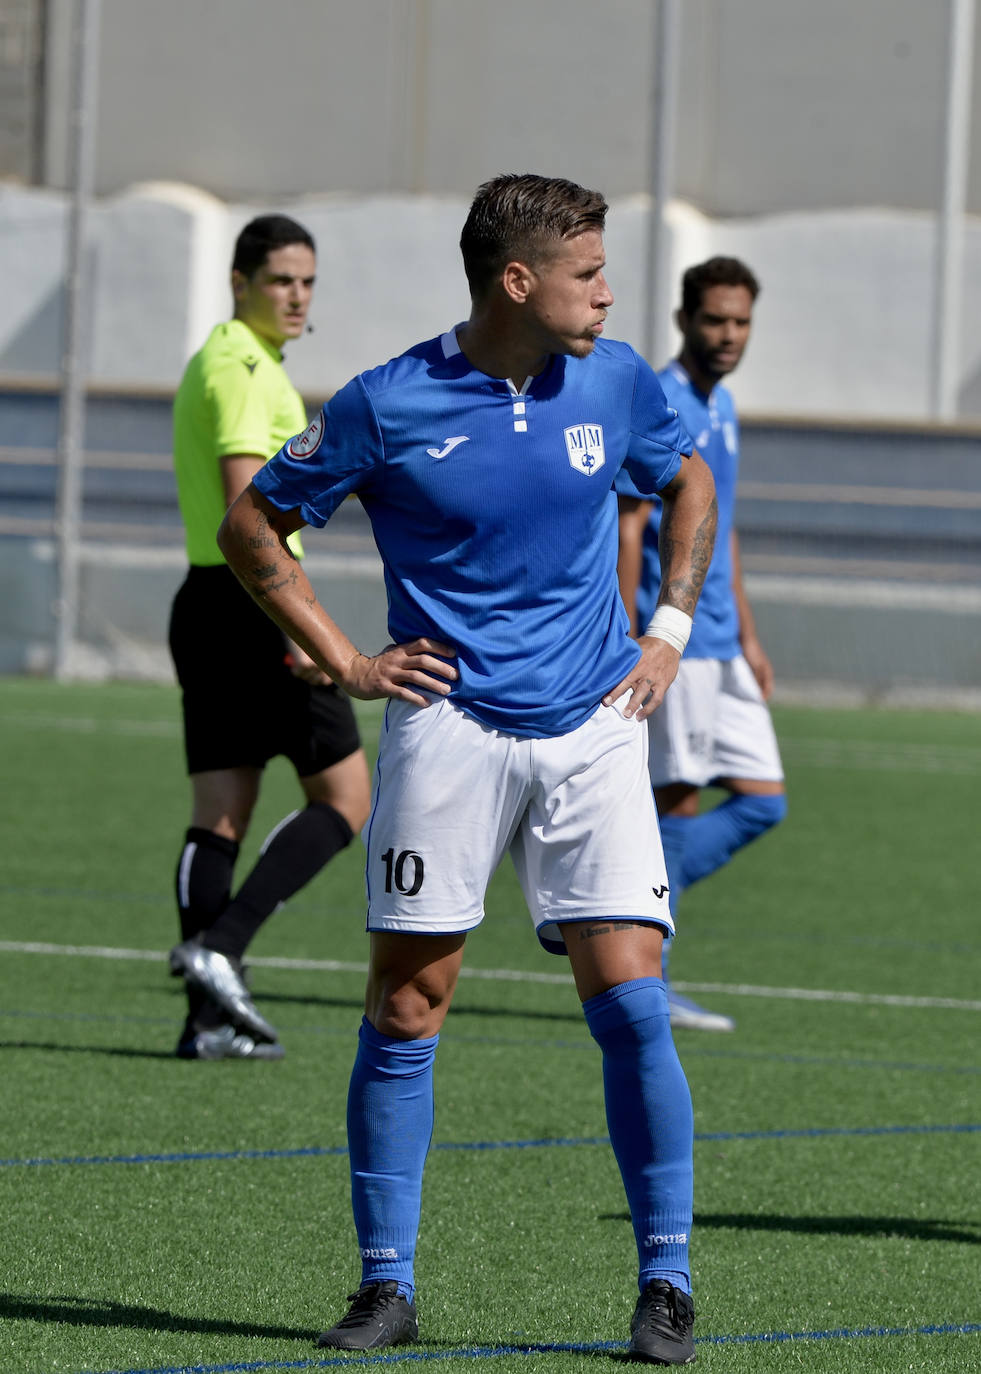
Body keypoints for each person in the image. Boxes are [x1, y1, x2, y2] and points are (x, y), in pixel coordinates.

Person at [217, 174, 718, 1363]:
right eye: (587, 272)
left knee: (633, 1005)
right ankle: (385, 1286)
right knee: (407, 1005)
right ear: (517, 282)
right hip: (449, 728)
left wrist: (669, 630)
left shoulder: (618, 377)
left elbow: (688, 480)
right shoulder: (389, 401)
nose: (607, 291)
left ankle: (667, 1284)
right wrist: (342, 658)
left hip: (596, 721)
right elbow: (254, 528)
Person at [167, 214, 371, 1061]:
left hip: (207, 604)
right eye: (281, 279)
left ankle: (205, 1021)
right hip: (253, 607)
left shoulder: (218, 358)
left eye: (307, 281)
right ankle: (223, 948)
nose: (296, 295)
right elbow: (251, 517)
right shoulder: (247, 372)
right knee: (347, 799)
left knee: (219, 813)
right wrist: (301, 628)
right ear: (239, 281)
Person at [617, 257, 787, 1034]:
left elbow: (723, 524)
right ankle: (648, 975)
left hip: (722, 639)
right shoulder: (659, 398)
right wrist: (629, 631)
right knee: (677, 800)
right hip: (673, 638)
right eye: (714, 320)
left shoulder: (725, 408)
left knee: (762, 800)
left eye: (740, 322)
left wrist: (750, 632)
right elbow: (629, 525)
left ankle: (626, 901)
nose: (727, 335)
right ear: (685, 319)